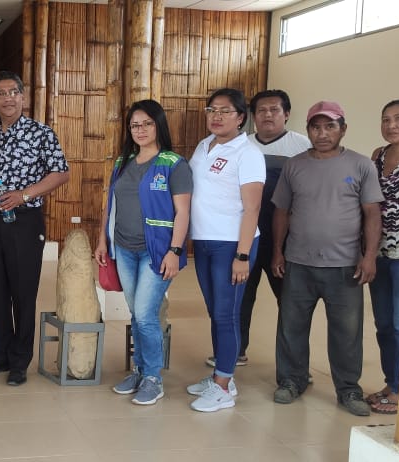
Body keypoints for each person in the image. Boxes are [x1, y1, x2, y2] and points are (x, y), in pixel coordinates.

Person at [271, 101, 382, 416]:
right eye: (316, 127)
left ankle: (348, 390)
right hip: (299, 262)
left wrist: (369, 257)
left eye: (330, 126)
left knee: (347, 333)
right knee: (291, 327)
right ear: (308, 131)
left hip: (345, 266)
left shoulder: (361, 165)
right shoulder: (294, 166)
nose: (322, 133)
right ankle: (291, 380)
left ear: (343, 129)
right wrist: (277, 251)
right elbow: (282, 211)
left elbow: (372, 214)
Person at [0, 70, 70, 386]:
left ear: (23, 98)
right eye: (1, 93)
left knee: (23, 292)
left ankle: (19, 362)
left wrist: (25, 194)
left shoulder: (41, 133)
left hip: (24, 220)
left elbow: (61, 173)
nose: (8, 98)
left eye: (13, 92)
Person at [93, 100, 191, 405]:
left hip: (157, 252)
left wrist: (175, 250)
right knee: (136, 313)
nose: (141, 130)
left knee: (146, 314)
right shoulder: (122, 162)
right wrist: (102, 240)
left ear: (159, 125)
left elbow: (183, 212)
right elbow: (111, 205)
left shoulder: (174, 164)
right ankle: (139, 370)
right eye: (135, 125)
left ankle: (153, 378)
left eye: (147, 123)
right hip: (124, 249)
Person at [205, 90, 311, 369]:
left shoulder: (302, 146)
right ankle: (234, 352)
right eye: (261, 110)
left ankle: (293, 368)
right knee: (240, 299)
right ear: (251, 116)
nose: (267, 115)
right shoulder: (242, 145)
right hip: (245, 237)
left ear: (286, 114)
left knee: (289, 303)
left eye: (274, 110)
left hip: (285, 240)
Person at [185, 88, 264, 412]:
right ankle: (222, 375)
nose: (216, 116)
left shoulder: (248, 153)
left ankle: (222, 386)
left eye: (225, 111)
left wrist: (242, 256)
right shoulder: (204, 145)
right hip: (204, 241)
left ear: (241, 117)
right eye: (212, 110)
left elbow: (253, 208)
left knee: (226, 314)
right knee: (215, 311)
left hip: (232, 244)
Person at [365, 100, 399, 415]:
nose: (391, 125)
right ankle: (391, 383)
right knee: (383, 323)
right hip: (379, 250)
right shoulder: (378, 155)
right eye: (386, 119)